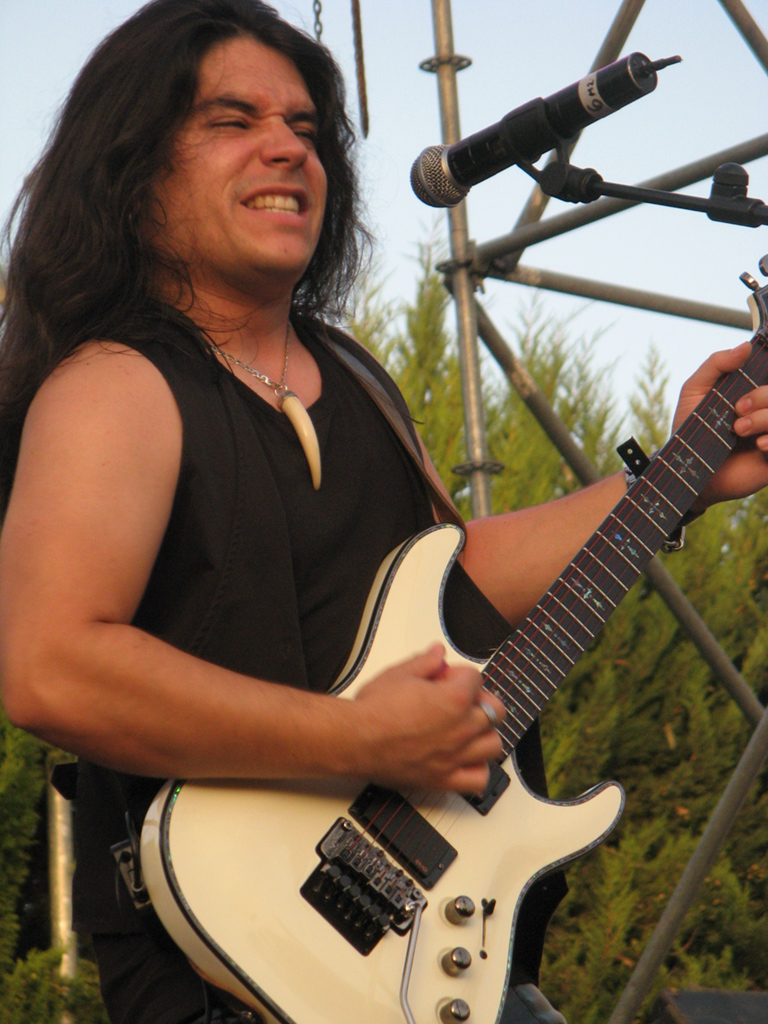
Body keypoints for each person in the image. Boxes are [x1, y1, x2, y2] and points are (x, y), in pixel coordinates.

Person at [1, 2, 768, 1023]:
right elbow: (51, 667)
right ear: (133, 168)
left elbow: (447, 580)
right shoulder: (115, 385)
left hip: (428, 951)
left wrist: (684, 472)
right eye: (232, 121)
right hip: (229, 965)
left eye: (305, 127)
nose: (289, 147)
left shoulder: (356, 378)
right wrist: (360, 739)